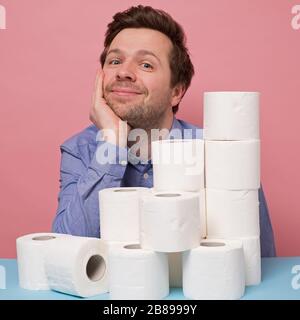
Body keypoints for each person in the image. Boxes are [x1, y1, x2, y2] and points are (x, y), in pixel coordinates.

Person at [52, 5, 276, 257]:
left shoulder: (222, 152)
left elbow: (258, 259)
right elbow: (65, 251)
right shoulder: (80, 150)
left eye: (146, 65)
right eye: (114, 61)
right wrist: (112, 143)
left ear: (176, 91)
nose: (124, 72)